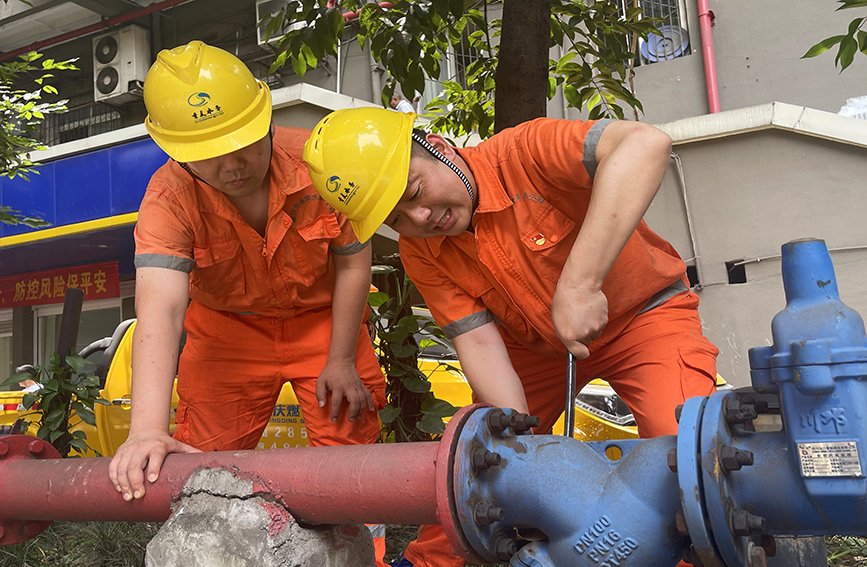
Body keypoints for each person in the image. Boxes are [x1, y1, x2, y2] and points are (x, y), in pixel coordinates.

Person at [304, 108, 720, 567]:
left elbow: (646, 144)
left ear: (438, 146)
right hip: (537, 351)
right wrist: (520, 453)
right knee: (477, 465)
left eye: (415, 191)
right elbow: (479, 342)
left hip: (645, 320)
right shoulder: (421, 250)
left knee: (688, 466)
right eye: (397, 218)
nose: (420, 217)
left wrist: (581, 283)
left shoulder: (526, 151)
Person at [107, 42, 387, 563]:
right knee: (201, 470)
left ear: (264, 120)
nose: (232, 165)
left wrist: (342, 358)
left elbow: (353, 260)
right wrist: (147, 430)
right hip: (226, 334)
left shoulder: (320, 163)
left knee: (352, 467)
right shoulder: (168, 199)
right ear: (175, 151)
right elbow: (162, 310)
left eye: (242, 144)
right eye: (207, 154)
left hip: (324, 325)